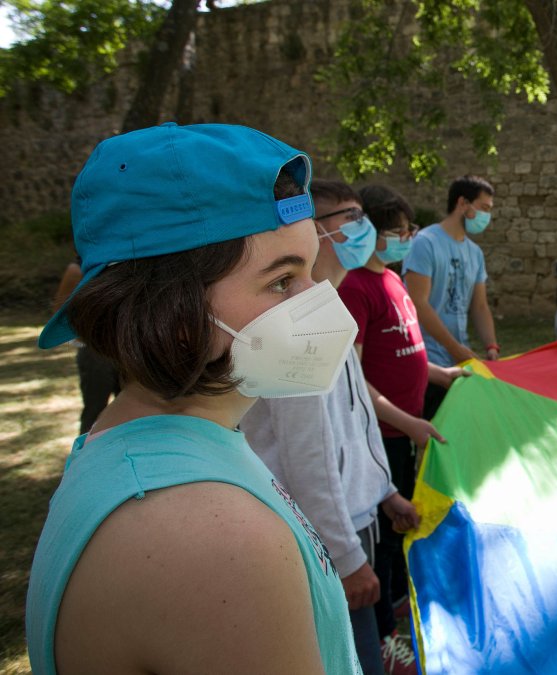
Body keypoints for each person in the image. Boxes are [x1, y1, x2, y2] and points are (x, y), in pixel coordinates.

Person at [26, 123, 363, 674]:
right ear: (174, 312)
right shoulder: (212, 537)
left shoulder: (156, 451)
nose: (317, 304)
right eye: (281, 282)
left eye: (310, 271)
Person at [239, 179, 424, 675]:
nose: (363, 227)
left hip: (355, 516)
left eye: (362, 214)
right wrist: (345, 558)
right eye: (349, 216)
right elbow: (308, 457)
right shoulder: (298, 326)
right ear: (311, 231)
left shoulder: (329, 306)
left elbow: (353, 417)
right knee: (347, 658)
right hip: (319, 535)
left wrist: (385, 491)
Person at [342, 183, 468, 653]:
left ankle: (399, 607)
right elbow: (352, 382)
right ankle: (385, 633)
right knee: (391, 534)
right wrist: (407, 422)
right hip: (382, 435)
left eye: (408, 230)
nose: (405, 238)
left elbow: (408, 351)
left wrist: (441, 375)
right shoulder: (356, 289)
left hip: (407, 427)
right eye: (396, 231)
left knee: (406, 526)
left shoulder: (393, 280)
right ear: (368, 234)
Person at [403, 175, 499, 418]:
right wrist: (454, 348)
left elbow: (479, 306)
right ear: (463, 203)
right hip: (429, 362)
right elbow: (418, 304)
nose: (487, 216)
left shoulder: (475, 253)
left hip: (460, 361)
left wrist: (491, 346)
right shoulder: (425, 243)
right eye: (484, 208)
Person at [51, 256, 121, 434]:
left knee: (130, 410)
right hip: (95, 352)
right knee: (95, 409)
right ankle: (84, 454)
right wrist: (88, 336)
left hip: (127, 351)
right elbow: (60, 310)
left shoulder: (125, 264)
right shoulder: (78, 270)